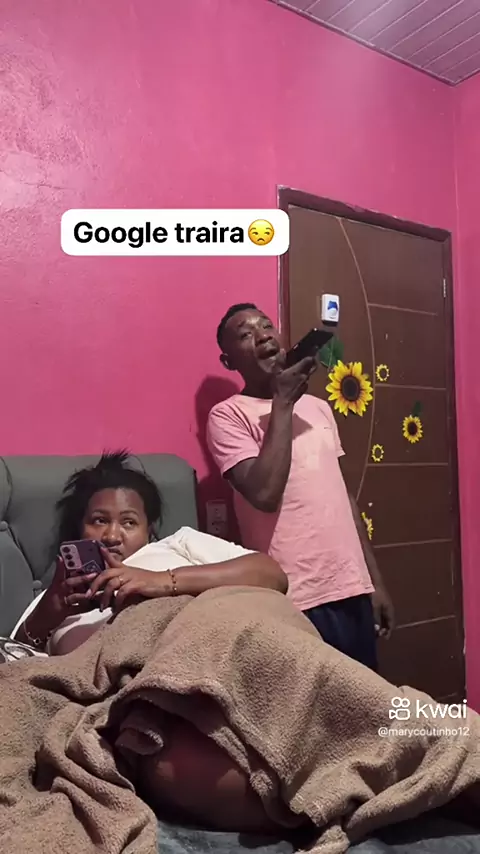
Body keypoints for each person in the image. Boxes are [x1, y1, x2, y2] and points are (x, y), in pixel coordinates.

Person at [206, 303, 394, 671]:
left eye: (266, 326)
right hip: (294, 597)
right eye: (245, 334)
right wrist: (282, 403)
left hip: (351, 588)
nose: (262, 336)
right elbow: (264, 494)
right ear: (229, 361)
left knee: (365, 699)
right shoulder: (227, 415)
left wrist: (374, 582)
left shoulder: (319, 408)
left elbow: (343, 498)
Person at [12, 450, 287, 656]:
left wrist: (163, 581)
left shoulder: (178, 544)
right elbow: (15, 666)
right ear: (80, 528)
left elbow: (272, 575)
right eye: (99, 520)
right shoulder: (57, 596)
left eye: (129, 522)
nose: (111, 536)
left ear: (149, 530)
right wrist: (45, 618)